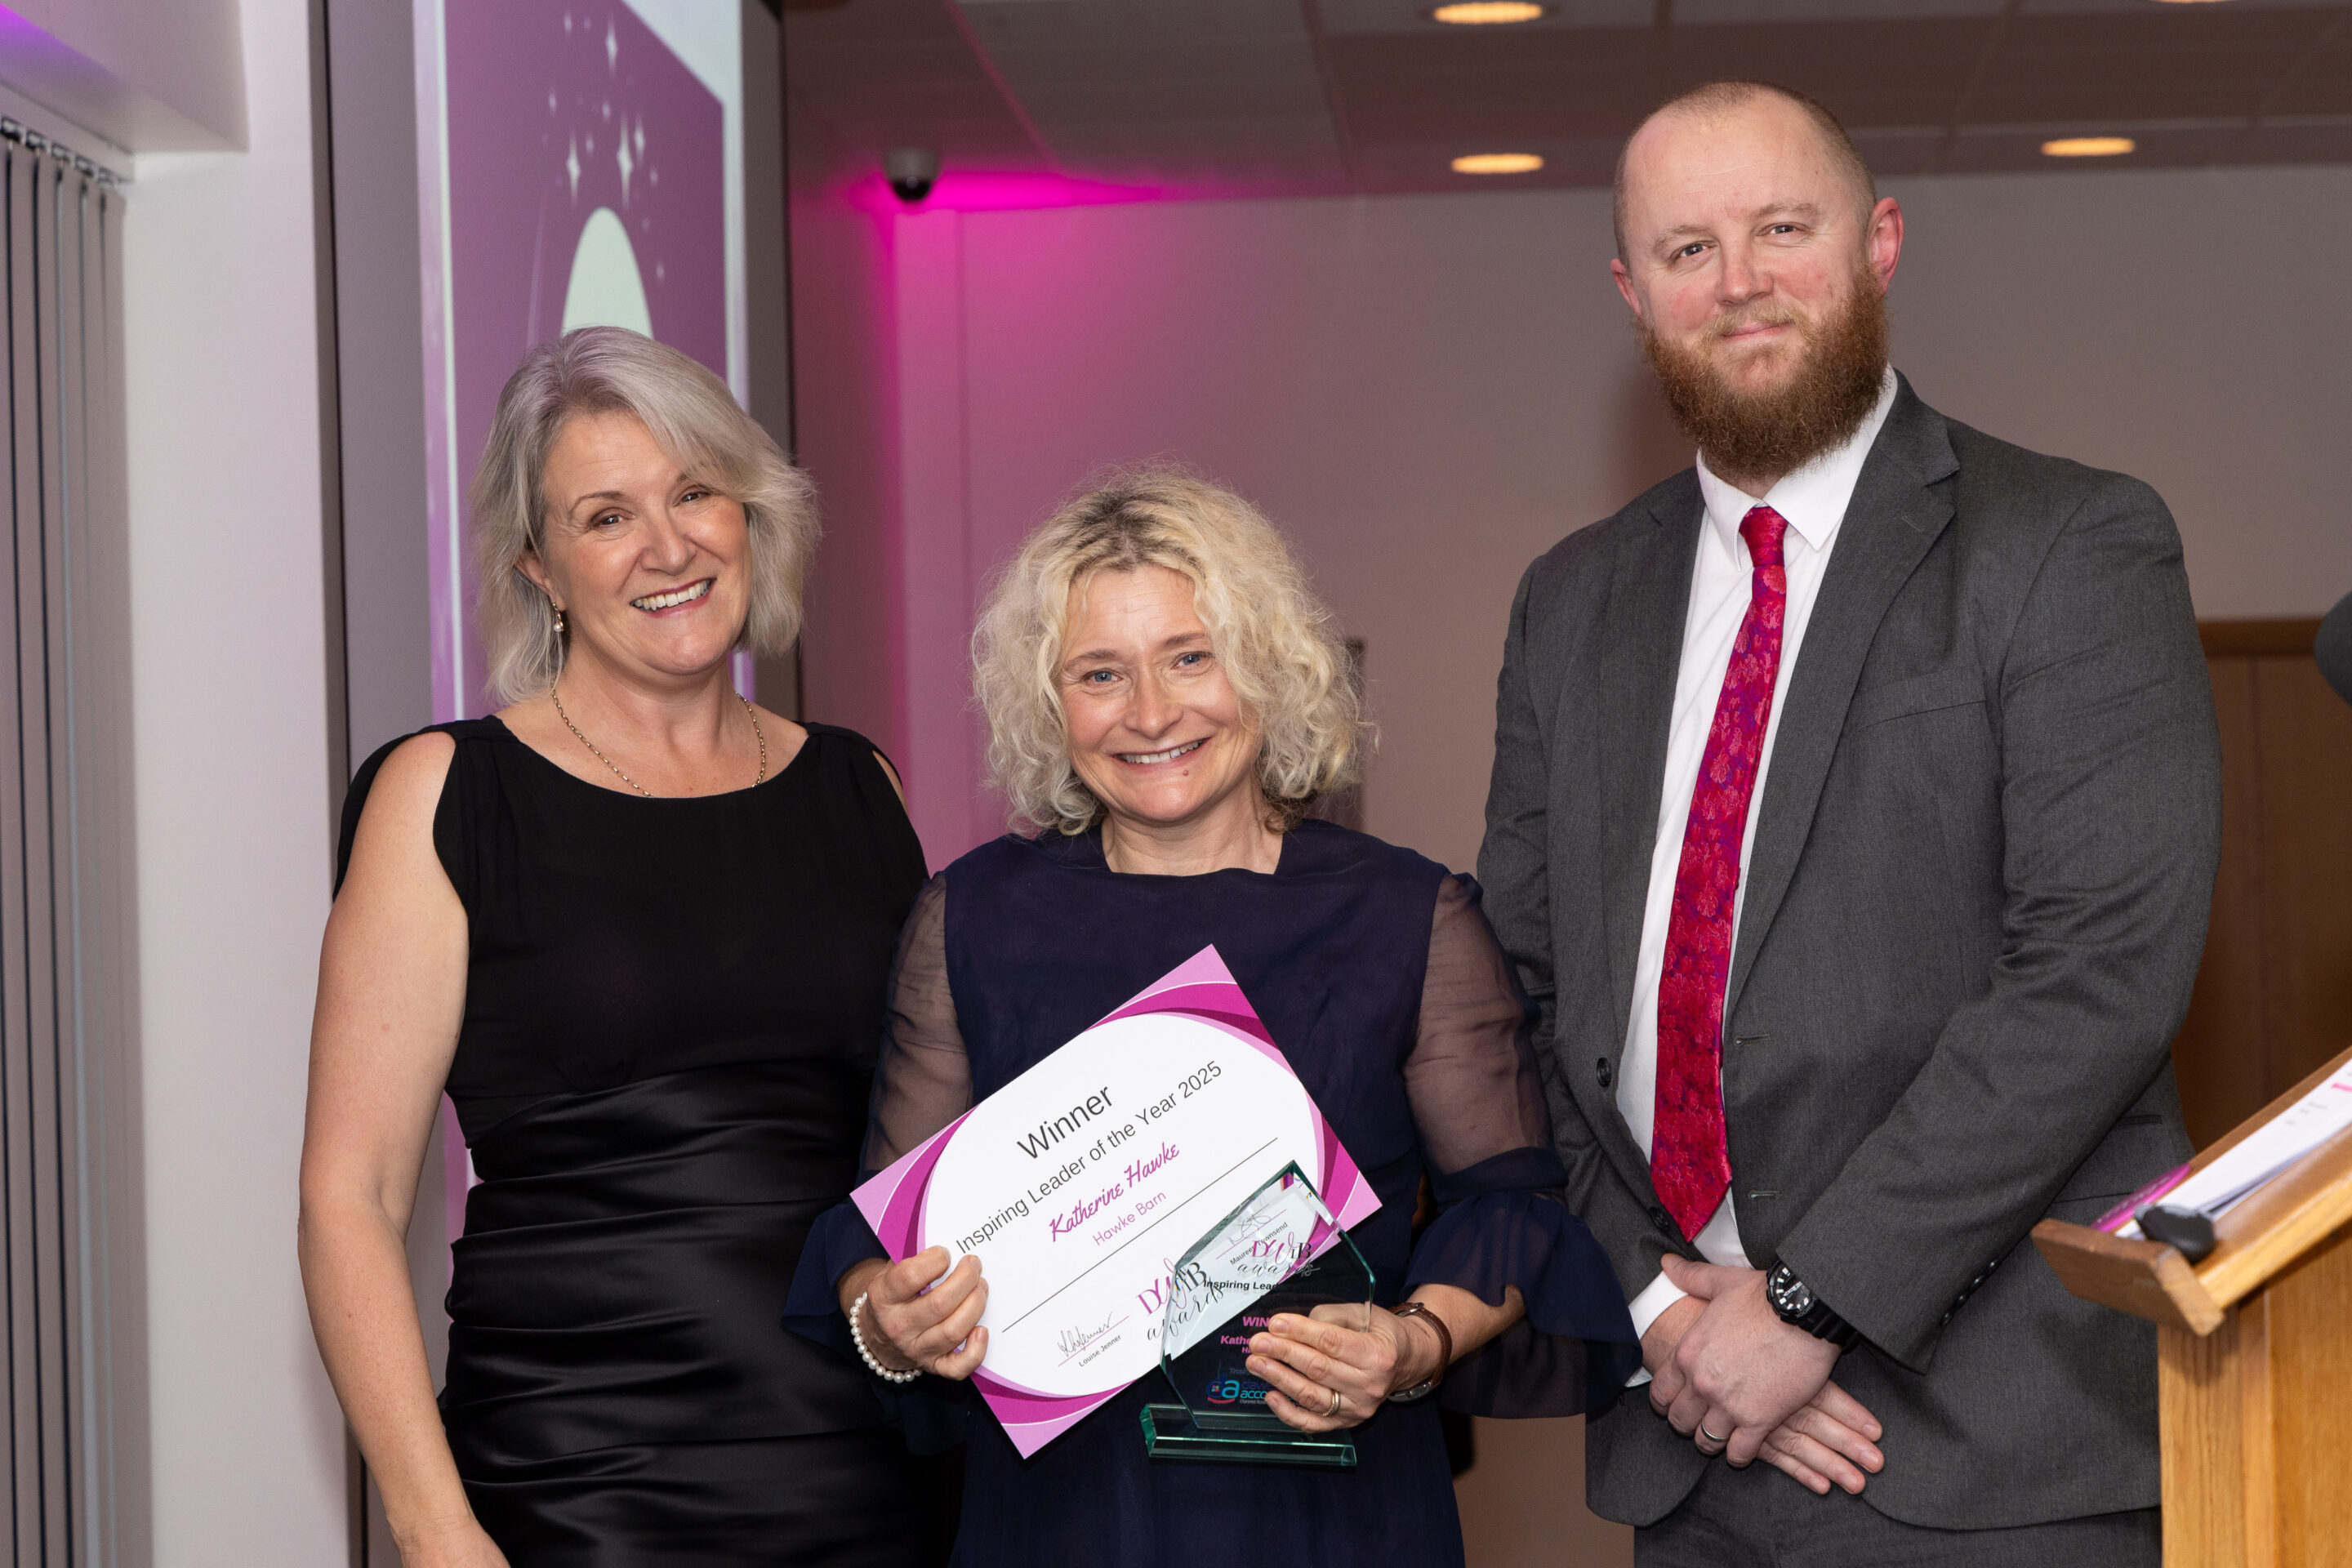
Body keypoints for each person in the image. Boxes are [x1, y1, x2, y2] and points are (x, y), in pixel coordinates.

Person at [1478, 81, 2221, 1565]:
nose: (1739, 281)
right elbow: (1524, 997)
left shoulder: (2069, 543)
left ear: (1879, 242)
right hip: (1690, 1438)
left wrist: (1810, 1303)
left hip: (1997, 1459)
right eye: (1687, 250)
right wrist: (1661, 1310)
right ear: (1632, 293)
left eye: (1783, 229)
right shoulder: (1570, 602)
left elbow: (2096, 977)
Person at [782, 471, 1639, 1566]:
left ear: (1268, 666)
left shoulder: (1407, 915)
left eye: (1192, 657)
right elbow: (890, 1236)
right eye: (1101, 673)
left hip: (1332, 1508)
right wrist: (889, 1318)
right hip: (1063, 1515)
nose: (1150, 713)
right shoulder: (976, 916)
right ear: (1051, 702)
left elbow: (1508, 1205)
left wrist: (1414, 1343)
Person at [300, 327, 930, 1566]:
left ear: (750, 512)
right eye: (606, 517)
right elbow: (350, 1198)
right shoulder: (446, 793)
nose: (668, 547)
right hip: (577, 1484)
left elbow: (921, 1148)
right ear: (538, 567)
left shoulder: (864, 786)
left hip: (871, 1472)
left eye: (695, 491)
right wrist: (434, 1528)